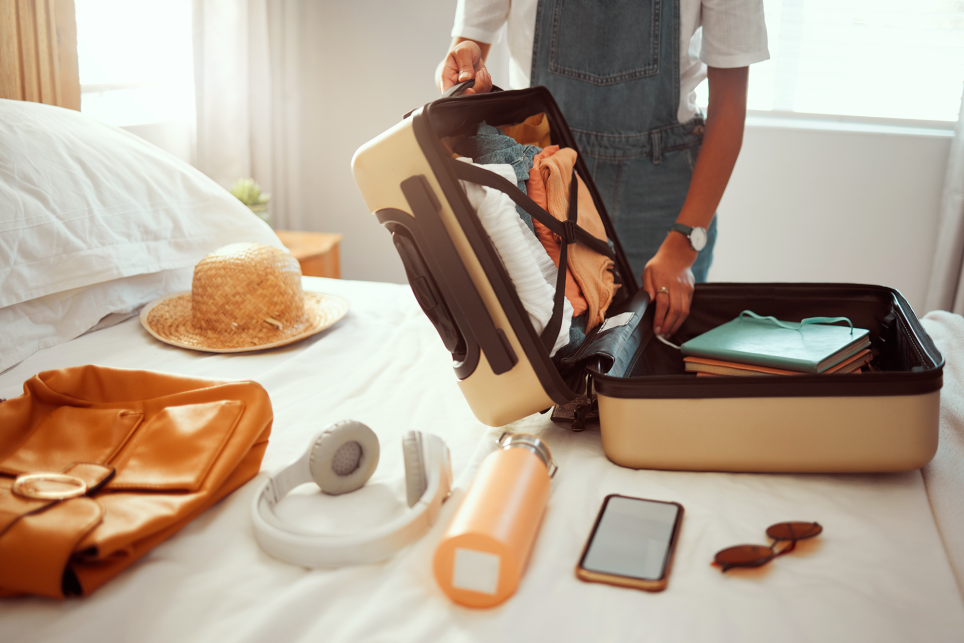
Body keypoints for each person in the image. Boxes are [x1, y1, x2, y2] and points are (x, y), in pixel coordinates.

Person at [437, 0, 768, 339]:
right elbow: (465, 53)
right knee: (550, 354)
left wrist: (684, 242)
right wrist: (459, 70)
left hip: (662, 201)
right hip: (546, 181)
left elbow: (729, 106)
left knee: (650, 359)